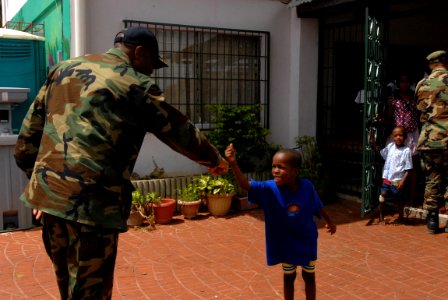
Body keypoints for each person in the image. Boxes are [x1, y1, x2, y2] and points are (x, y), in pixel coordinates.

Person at [14, 27, 229, 299]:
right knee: (91, 293)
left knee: (68, 287)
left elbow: (27, 139)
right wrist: (214, 160)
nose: (151, 71)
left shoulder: (63, 69)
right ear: (139, 52)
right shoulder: (135, 84)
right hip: (93, 207)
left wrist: (41, 187)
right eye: (152, 62)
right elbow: (178, 130)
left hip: (50, 202)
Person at [225, 143, 336, 300]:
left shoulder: (307, 186)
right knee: (289, 277)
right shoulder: (269, 189)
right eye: (274, 166)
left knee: (309, 275)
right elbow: (245, 185)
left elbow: (318, 205)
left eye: (281, 167)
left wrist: (330, 222)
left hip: (307, 240)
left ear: (295, 171)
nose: (275, 171)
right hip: (286, 244)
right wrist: (233, 163)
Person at [414, 50, 448, 234]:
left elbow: (420, 109)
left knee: (432, 179)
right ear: (444, 62)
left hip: (429, 140)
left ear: (431, 64)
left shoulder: (422, 84)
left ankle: (432, 220)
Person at [377, 72, 420, 206]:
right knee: (393, 163)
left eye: (407, 81)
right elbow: (390, 117)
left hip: (412, 134)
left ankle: (411, 197)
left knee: (411, 167)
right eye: (402, 81)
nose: (404, 84)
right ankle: (392, 195)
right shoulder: (393, 98)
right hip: (398, 135)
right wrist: (382, 120)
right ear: (398, 83)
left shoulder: (415, 97)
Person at [369, 126, 413, 224]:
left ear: (405, 137)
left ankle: (401, 217)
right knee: (383, 194)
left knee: (399, 199)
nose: (398, 137)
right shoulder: (390, 146)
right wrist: (373, 143)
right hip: (387, 179)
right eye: (396, 135)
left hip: (397, 180)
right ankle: (381, 216)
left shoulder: (406, 151)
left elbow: (408, 169)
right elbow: (381, 154)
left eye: (400, 135)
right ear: (393, 137)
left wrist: (403, 181)